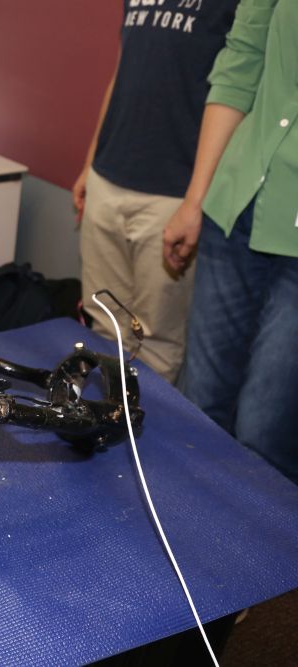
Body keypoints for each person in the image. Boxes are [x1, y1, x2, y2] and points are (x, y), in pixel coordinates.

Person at [163, 0, 298, 483]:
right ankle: (187, 524)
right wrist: (195, 201)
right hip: (237, 205)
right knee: (200, 407)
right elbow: (240, 65)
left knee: (266, 432)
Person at [73, 0, 238, 383]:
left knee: (156, 343)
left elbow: (235, 93)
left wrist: (195, 201)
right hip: (108, 178)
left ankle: (142, 423)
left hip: (173, 194)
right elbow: (122, 73)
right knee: (103, 323)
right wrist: (90, 163)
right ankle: (105, 417)